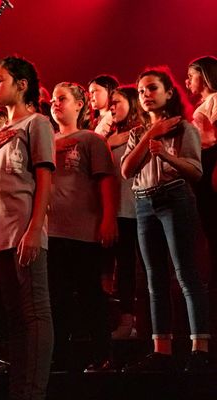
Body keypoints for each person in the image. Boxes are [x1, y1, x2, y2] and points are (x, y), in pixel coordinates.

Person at [0, 55, 55, 400]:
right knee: (15, 317)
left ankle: (33, 391)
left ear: (21, 85)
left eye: (0, 79)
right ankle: (18, 388)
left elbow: (45, 178)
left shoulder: (37, 124)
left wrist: (35, 228)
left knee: (35, 313)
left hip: (23, 229)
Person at [122, 67, 210, 372]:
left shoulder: (185, 129)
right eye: (142, 91)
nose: (146, 95)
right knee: (153, 277)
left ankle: (200, 347)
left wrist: (166, 155)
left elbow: (196, 172)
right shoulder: (137, 132)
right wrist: (149, 134)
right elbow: (126, 170)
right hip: (144, 200)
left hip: (175, 197)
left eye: (152, 89)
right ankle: (162, 350)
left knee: (186, 274)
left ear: (169, 93)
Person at [48, 82, 117, 372]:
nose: (55, 103)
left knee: (90, 294)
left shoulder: (90, 140)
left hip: (83, 231)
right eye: (52, 99)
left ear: (79, 105)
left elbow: (106, 180)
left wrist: (108, 219)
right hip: (51, 232)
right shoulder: (46, 140)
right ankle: (61, 357)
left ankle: (102, 354)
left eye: (62, 98)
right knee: (56, 297)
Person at [106, 86, 145, 339]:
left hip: (141, 207)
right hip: (119, 209)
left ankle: (149, 322)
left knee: (146, 268)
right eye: (110, 103)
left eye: (117, 103)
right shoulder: (111, 135)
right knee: (124, 268)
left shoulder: (143, 132)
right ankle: (127, 320)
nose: (111, 108)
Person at [186, 56, 217, 354]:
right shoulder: (203, 105)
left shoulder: (215, 100)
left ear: (205, 77)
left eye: (191, 76)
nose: (187, 81)